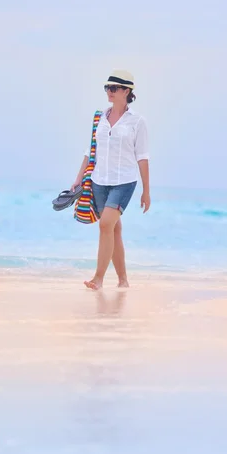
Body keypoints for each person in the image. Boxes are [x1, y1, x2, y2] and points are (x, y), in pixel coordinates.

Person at [72, 69, 150, 290]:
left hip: (124, 181)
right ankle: (123, 280)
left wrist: (146, 191)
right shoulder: (100, 118)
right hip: (99, 180)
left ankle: (98, 278)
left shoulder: (137, 122)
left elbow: (143, 157)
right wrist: (79, 178)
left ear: (127, 91)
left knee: (105, 224)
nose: (110, 92)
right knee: (114, 230)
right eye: (107, 87)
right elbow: (90, 151)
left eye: (114, 88)